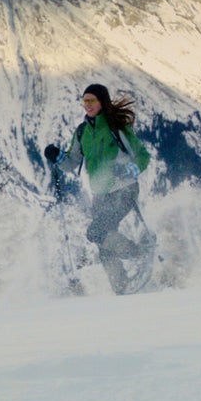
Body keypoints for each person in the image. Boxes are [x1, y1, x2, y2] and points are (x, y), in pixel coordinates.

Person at [43, 84, 151, 294]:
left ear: (103, 101)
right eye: (85, 101)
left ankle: (139, 254)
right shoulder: (83, 131)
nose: (88, 105)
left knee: (97, 231)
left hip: (124, 190)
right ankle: (122, 288)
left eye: (92, 100)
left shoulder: (116, 127)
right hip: (100, 195)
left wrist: (130, 170)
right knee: (104, 245)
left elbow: (142, 157)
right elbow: (71, 163)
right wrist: (57, 157)